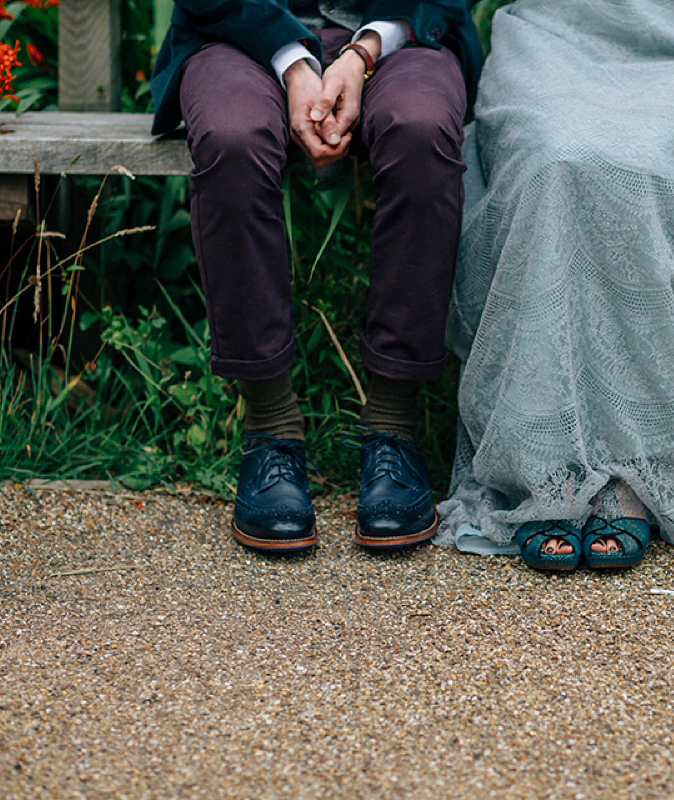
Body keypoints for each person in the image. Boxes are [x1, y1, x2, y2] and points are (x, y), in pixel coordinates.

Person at [434, 0, 674, 570]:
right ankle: (544, 467)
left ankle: (636, 471)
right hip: (548, 41)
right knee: (554, 158)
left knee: (646, 166)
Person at [149, 1, 482, 553]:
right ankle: (271, 427)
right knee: (233, 139)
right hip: (236, 29)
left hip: (404, 26)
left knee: (420, 130)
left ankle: (393, 425)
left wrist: (364, 50)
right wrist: (293, 62)